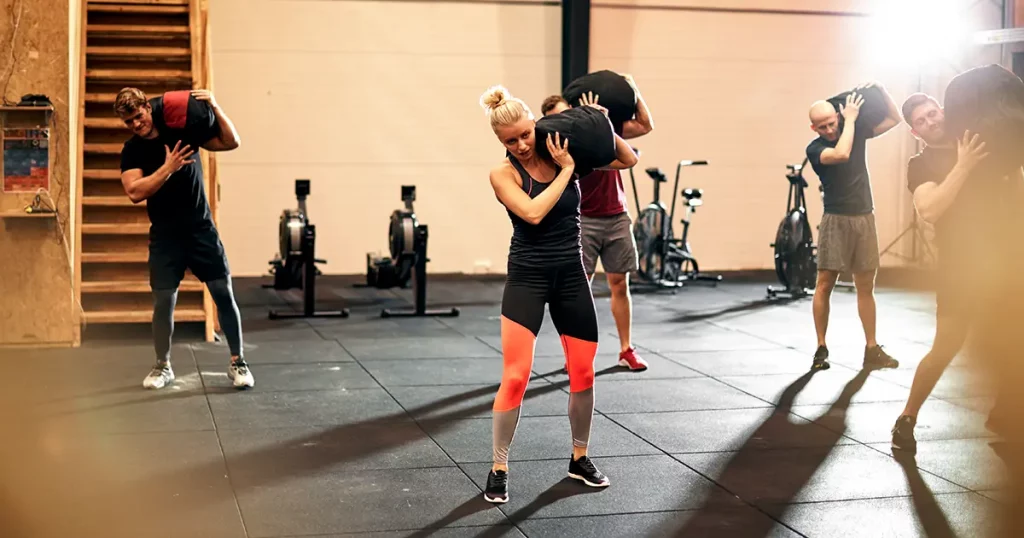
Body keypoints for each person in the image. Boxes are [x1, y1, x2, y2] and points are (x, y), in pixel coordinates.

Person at [479, 84, 638, 504]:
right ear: (500, 142)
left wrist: (600, 124)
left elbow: (628, 158)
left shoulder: (561, 150)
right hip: (527, 278)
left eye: (525, 134)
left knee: (583, 373)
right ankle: (498, 466)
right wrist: (568, 170)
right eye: (510, 141)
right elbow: (532, 212)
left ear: (536, 124)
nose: (521, 145)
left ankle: (579, 457)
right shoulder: (505, 174)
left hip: (571, 277)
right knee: (515, 376)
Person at [115, 87, 254, 390]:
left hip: (200, 229)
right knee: (164, 301)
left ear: (147, 109)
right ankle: (162, 365)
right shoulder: (133, 150)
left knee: (223, 293)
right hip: (165, 236)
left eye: (138, 117)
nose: (136, 125)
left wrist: (215, 106)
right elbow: (135, 192)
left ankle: (238, 361)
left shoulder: (181, 129)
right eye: (129, 122)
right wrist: (168, 168)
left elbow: (232, 142)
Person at [889, 93, 991, 453]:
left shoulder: (978, 139)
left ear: (943, 110)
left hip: (1004, 258)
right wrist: (963, 166)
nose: (931, 122)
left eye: (933, 114)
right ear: (915, 132)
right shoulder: (920, 165)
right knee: (946, 345)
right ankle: (907, 418)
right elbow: (929, 210)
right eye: (922, 121)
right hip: (959, 266)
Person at [540, 73, 654, 371]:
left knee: (620, 283)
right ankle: (575, 353)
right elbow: (614, 160)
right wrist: (599, 125)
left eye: (568, 113)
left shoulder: (601, 129)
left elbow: (645, 125)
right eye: (557, 117)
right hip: (582, 220)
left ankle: (626, 349)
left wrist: (632, 88)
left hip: (616, 214)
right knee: (579, 289)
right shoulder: (558, 149)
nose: (565, 120)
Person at [804, 83, 902, 371]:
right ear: (814, 128)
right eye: (822, 127)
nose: (829, 130)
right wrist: (850, 119)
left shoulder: (853, 130)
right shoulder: (816, 149)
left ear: (837, 116)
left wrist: (882, 90)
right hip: (836, 220)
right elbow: (843, 154)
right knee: (824, 285)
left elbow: (895, 120)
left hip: (864, 217)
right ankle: (821, 348)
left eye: (831, 123)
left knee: (865, 286)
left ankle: (872, 348)